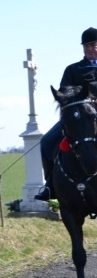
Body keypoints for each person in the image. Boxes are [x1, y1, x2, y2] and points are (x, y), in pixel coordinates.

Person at [35, 26, 97, 201]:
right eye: (86, 46)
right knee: (46, 142)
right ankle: (50, 187)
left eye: (93, 45)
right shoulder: (73, 70)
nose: (90, 49)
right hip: (79, 119)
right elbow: (64, 93)